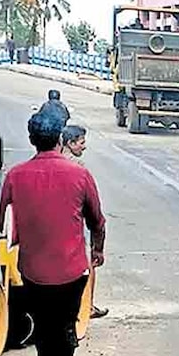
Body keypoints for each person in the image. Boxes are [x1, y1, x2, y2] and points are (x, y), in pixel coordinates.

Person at [0, 110, 106, 356]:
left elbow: (3, 222)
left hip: (31, 272)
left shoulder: (15, 175)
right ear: (60, 138)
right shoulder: (79, 174)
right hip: (71, 272)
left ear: (31, 140)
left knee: (46, 336)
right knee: (64, 336)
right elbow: (97, 220)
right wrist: (97, 250)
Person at [59, 125, 109, 321]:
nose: (84, 146)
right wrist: (99, 246)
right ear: (70, 144)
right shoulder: (78, 168)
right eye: (82, 142)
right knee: (89, 265)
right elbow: (94, 212)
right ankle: (86, 307)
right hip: (73, 227)